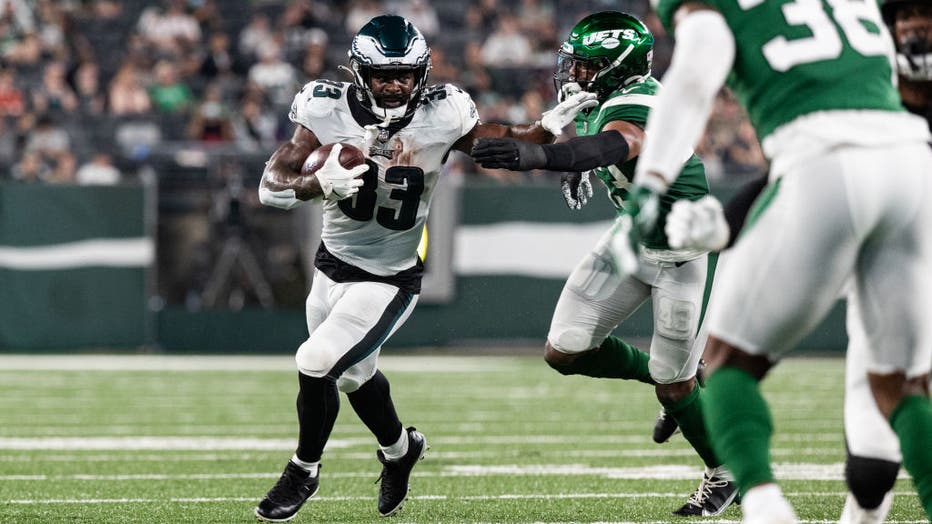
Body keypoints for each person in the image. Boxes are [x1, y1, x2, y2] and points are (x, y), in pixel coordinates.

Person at [253, 15, 587, 522]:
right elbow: (271, 183)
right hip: (329, 266)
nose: (395, 85)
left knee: (316, 361)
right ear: (359, 72)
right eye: (384, 74)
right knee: (354, 376)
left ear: (422, 73)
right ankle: (400, 451)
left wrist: (550, 135)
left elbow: (498, 142)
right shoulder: (323, 106)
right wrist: (314, 186)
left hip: (389, 277)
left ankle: (304, 469)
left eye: (406, 74)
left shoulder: (444, 112)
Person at [615, 0, 932, 520]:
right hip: (912, 163)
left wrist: (649, 184)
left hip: (823, 158)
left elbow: (697, 71)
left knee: (727, 367)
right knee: (904, 390)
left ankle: (765, 508)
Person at [470, 11, 738, 517]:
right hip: (632, 241)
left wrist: (551, 160)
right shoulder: (597, 95)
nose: (576, 74)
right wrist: (515, 142)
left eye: (589, 65)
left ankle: (724, 472)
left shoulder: (645, 99)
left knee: (674, 381)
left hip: (686, 252)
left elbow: (612, 144)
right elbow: (553, 138)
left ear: (619, 67)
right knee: (564, 350)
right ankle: (674, 384)